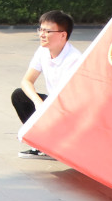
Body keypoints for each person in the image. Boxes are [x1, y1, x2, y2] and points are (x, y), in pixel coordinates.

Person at [13, 10, 82, 157]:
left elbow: (72, 99)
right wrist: (37, 101)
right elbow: (27, 81)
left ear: (63, 35)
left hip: (70, 110)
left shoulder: (74, 59)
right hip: (52, 104)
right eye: (41, 29)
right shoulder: (42, 51)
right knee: (19, 95)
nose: (41, 34)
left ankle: (60, 144)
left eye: (47, 31)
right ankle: (41, 145)